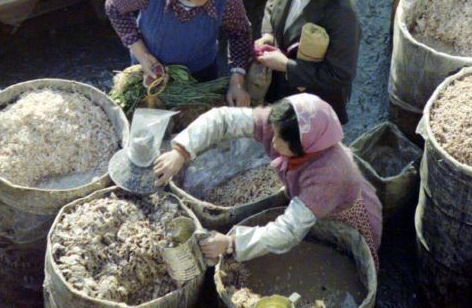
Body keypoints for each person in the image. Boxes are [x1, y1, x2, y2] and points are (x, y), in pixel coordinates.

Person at [153, 93, 382, 267]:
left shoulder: (330, 173)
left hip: (344, 215)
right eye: (274, 132)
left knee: (336, 260)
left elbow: (289, 231)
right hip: (307, 202)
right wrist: (181, 151)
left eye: (281, 142)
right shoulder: (281, 124)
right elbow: (222, 120)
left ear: (305, 147)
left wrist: (233, 242)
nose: (273, 143)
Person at [105, 0, 252, 106]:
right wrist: (142, 54)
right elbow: (114, 7)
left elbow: (240, 33)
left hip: (200, 72)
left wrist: (237, 81)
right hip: (149, 70)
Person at [254, 0, 361, 123]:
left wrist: (287, 66)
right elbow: (272, 2)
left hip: (314, 102)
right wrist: (268, 33)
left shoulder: (342, 13)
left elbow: (340, 75)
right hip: (279, 85)